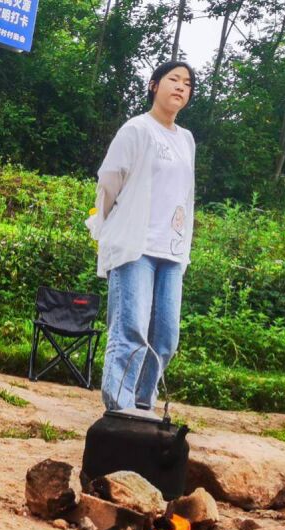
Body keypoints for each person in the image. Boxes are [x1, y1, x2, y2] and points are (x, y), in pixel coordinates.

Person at [84, 61, 197, 418]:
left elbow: (185, 195)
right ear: (154, 85)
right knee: (130, 330)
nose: (180, 87)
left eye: (187, 83)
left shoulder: (187, 140)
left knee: (165, 336)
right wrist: (107, 227)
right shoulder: (136, 129)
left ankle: (143, 404)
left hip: (172, 250)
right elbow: (110, 180)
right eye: (173, 79)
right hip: (136, 246)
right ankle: (120, 408)